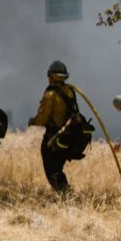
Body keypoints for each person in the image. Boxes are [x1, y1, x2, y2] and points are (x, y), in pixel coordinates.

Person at [27, 60, 78, 192]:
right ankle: (66, 194)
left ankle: (65, 194)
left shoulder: (50, 94)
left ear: (51, 76)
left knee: (52, 170)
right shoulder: (69, 90)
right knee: (58, 168)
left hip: (54, 138)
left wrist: (32, 121)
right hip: (67, 136)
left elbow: (42, 118)